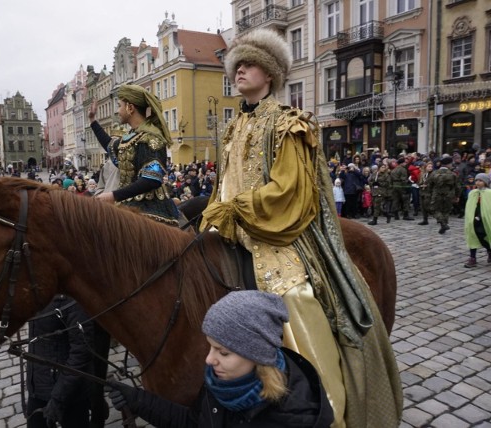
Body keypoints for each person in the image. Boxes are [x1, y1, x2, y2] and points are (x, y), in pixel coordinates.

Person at [199, 28, 402, 427]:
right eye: (235, 64)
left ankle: (329, 408)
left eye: (249, 63)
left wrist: (235, 210)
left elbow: (288, 194)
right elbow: (222, 185)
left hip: (278, 238)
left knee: (294, 296)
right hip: (231, 231)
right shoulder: (232, 127)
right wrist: (212, 218)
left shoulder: (288, 123)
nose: (239, 70)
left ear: (270, 73)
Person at [105, 290, 333, 427]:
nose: (209, 360)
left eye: (223, 352)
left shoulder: (293, 419)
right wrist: (137, 400)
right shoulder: (223, 383)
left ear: (257, 356)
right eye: (211, 347)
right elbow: (194, 423)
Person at [88, 84, 180, 226]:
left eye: (119, 106)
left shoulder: (151, 138)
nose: (117, 111)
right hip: (130, 205)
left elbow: (152, 179)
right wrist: (93, 121)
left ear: (130, 108)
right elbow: (110, 145)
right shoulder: (132, 136)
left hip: (150, 209)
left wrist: (113, 195)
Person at [26, 295, 96, 428]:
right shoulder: (37, 292)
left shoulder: (72, 302)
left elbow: (81, 353)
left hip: (71, 395)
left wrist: (58, 399)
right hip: (38, 388)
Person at [463, 173, 491, 268]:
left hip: (485, 219)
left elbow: (488, 208)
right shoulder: (473, 193)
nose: (478, 182)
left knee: (483, 236)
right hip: (473, 219)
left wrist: (480, 216)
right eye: (476, 180)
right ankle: (472, 257)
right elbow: (470, 206)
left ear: (485, 182)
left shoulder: (489, 193)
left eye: (480, 181)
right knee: (472, 235)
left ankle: (489, 250)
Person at [428, 155, 459, 234]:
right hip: (449, 194)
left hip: (437, 193)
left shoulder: (434, 173)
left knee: (435, 209)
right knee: (446, 210)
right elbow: (457, 187)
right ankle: (444, 224)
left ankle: (442, 223)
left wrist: (430, 193)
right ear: (448, 164)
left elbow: (429, 185)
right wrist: (457, 196)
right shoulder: (453, 174)